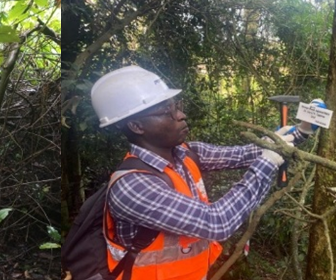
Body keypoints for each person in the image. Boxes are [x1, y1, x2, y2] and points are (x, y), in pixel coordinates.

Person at [87, 65, 293, 279]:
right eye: (167, 111)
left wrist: (296, 133)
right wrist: (267, 163)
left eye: (177, 106)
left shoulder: (186, 153)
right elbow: (218, 222)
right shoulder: (133, 186)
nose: (181, 115)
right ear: (137, 126)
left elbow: (244, 154)